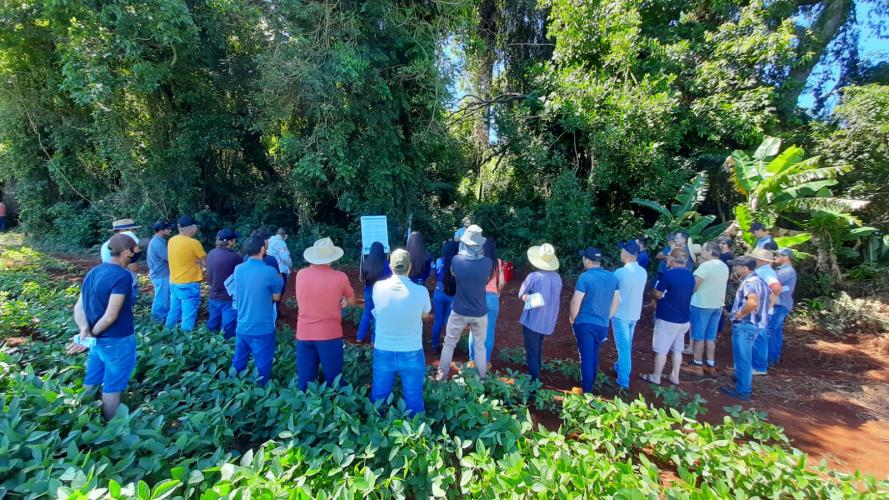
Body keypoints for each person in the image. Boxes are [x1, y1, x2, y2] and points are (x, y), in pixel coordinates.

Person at [67, 234, 139, 420]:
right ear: (125, 253)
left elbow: (79, 306)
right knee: (112, 387)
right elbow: (111, 315)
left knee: (92, 380)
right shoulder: (123, 276)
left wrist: (85, 330)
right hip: (117, 340)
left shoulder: (94, 271)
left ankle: (83, 419)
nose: (138, 252)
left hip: (97, 343)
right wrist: (90, 335)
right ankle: (111, 429)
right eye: (135, 250)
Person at [370, 249, 432, 415]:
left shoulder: (378, 287)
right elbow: (425, 314)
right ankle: (415, 435)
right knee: (413, 397)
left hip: (383, 349)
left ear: (390, 266)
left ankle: (377, 428)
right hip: (411, 349)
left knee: (379, 396)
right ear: (410, 266)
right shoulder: (422, 291)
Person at [294, 237, 355, 390]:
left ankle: (305, 410)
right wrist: (345, 302)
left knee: (305, 382)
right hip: (329, 334)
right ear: (332, 258)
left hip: (304, 333)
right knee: (334, 380)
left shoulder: (301, 274)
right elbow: (351, 299)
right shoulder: (340, 277)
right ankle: (335, 410)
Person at [436, 225, 492, 381]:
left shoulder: (456, 260)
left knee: (449, 344)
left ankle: (442, 376)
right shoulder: (487, 262)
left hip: (459, 309)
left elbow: (453, 274)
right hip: (480, 311)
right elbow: (486, 279)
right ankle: (482, 378)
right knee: (480, 347)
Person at [230, 236, 283, 385]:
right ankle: (260, 392)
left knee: (239, 362)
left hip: (242, 325)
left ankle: (232, 387)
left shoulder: (238, 269)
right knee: (263, 366)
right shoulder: (270, 271)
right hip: (262, 327)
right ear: (262, 249)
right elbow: (277, 297)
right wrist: (279, 280)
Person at [640, 248, 694, 385]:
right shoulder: (690, 276)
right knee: (677, 349)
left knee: (661, 350)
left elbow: (657, 294)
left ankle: (656, 376)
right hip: (684, 318)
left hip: (667, 317)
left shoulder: (668, 275)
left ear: (671, 259)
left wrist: (656, 294)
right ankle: (675, 376)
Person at [568, 247, 619, 393]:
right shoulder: (612, 277)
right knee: (593, 354)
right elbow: (616, 301)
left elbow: (576, 301)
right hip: (602, 325)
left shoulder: (585, 277)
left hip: (585, 324)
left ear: (588, 261)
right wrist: (607, 316)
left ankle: (587, 391)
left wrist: (572, 318)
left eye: (584, 258)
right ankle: (590, 384)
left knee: (586, 357)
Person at [720, 256, 770, 401]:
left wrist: (740, 314)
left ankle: (743, 390)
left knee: (743, 358)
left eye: (737, 266)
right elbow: (769, 298)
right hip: (756, 325)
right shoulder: (760, 280)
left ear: (745, 268)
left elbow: (753, 302)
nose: (734, 268)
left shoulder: (750, 282)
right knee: (746, 356)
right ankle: (742, 380)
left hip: (746, 325)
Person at [517, 243, 563, 382]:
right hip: (548, 319)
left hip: (533, 319)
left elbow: (522, 294)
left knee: (531, 350)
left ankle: (534, 380)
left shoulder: (534, 276)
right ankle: (537, 373)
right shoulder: (557, 277)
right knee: (537, 348)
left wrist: (527, 297)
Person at [687, 242, 730, 376]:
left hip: (702, 304)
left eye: (704, 250)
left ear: (710, 251)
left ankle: (697, 364)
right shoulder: (724, 266)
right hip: (717, 305)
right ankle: (711, 364)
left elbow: (694, 286)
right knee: (710, 337)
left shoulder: (705, 266)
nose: (702, 252)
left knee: (699, 336)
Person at [611, 241, 648, 390]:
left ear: (626, 253)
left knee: (624, 348)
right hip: (634, 313)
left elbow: (611, 291)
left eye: (622, 251)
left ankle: (623, 380)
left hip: (621, 314)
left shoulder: (620, 273)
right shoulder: (643, 272)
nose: (620, 253)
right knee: (627, 344)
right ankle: (619, 367)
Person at [164, 216, 206, 332]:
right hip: (188, 283)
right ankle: (185, 338)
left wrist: (195, 261)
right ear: (192, 228)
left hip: (174, 282)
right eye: (196, 226)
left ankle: (166, 333)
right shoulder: (194, 243)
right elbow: (205, 261)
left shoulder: (172, 240)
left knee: (174, 310)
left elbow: (183, 257)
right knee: (188, 314)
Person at [469, 237, 505, 367]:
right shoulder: (498, 262)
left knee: (474, 330)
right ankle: (485, 361)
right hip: (492, 298)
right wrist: (498, 292)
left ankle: (472, 360)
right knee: (489, 331)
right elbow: (501, 282)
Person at [750, 248, 782, 375]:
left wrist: (768, 305)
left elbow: (776, 287)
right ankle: (758, 365)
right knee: (758, 338)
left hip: (762, 311)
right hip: (762, 309)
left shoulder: (765, 272)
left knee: (759, 338)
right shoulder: (763, 270)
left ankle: (759, 366)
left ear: (760, 260)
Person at [206, 228, 241, 339]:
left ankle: (208, 344)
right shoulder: (234, 257)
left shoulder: (211, 253)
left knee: (212, 324)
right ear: (230, 242)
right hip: (227, 297)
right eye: (234, 239)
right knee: (228, 328)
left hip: (213, 294)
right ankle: (226, 348)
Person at [767, 248, 797, 366]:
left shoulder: (786, 271)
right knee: (776, 331)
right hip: (782, 304)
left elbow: (771, 282)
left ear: (786, 257)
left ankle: (769, 358)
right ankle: (774, 357)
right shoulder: (784, 270)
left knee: (770, 330)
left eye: (779, 255)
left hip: (780, 304)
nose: (776, 257)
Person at [357, 241, 391, 342]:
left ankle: (359, 336)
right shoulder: (386, 265)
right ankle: (374, 339)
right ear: (382, 252)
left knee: (367, 313)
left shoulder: (366, 263)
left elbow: (362, 279)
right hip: (381, 293)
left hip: (368, 291)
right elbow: (389, 278)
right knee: (378, 315)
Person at [430, 239, 459, 352]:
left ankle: (434, 345)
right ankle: (449, 347)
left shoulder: (439, 261)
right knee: (449, 321)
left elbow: (435, 274)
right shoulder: (459, 262)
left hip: (439, 290)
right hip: (452, 292)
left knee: (438, 320)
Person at [147, 220, 173, 323]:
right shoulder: (157, 243)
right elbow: (170, 258)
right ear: (161, 230)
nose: (170, 230)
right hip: (161, 275)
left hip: (159, 274)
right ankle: (157, 322)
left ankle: (160, 320)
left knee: (163, 297)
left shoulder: (158, 240)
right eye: (168, 228)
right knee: (162, 299)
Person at [267, 228, 293, 298]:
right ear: (285, 235)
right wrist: (290, 265)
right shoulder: (282, 243)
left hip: (269, 269)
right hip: (280, 270)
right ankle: (276, 308)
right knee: (280, 291)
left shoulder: (269, 241)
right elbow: (286, 258)